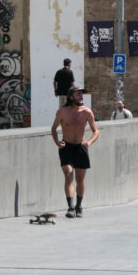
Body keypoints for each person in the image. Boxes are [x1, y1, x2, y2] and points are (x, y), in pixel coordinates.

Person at [50, 86, 100, 218]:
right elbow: (54, 128)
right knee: (68, 174)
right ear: (71, 96)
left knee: (80, 179)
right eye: (78, 94)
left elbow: (96, 131)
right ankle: (70, 207)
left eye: (81, 95)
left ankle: (79, 206)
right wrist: (57, 142)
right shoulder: (62, 111)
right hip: (66, 147)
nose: (81, 97)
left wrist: (88, 142)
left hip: (80, 147)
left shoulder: (87, 112)